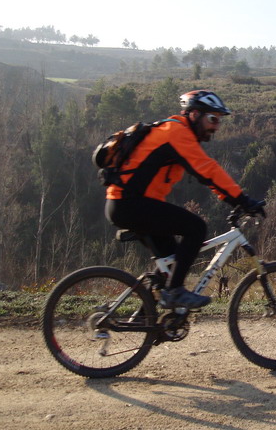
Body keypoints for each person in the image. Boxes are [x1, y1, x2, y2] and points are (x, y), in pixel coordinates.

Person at [104, 90, 265, 309]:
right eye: (212, 119)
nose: (216, 126)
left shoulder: (176, 132)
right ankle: (175, 293)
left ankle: (150, 316)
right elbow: (207, 171)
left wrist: (234, 199)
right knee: (196, 228)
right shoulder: (176, 133)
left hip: (131, 204)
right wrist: (242, 200)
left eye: (219, 121)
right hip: (129, 204)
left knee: (171, 263)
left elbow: (206, 176)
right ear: (194, 114)